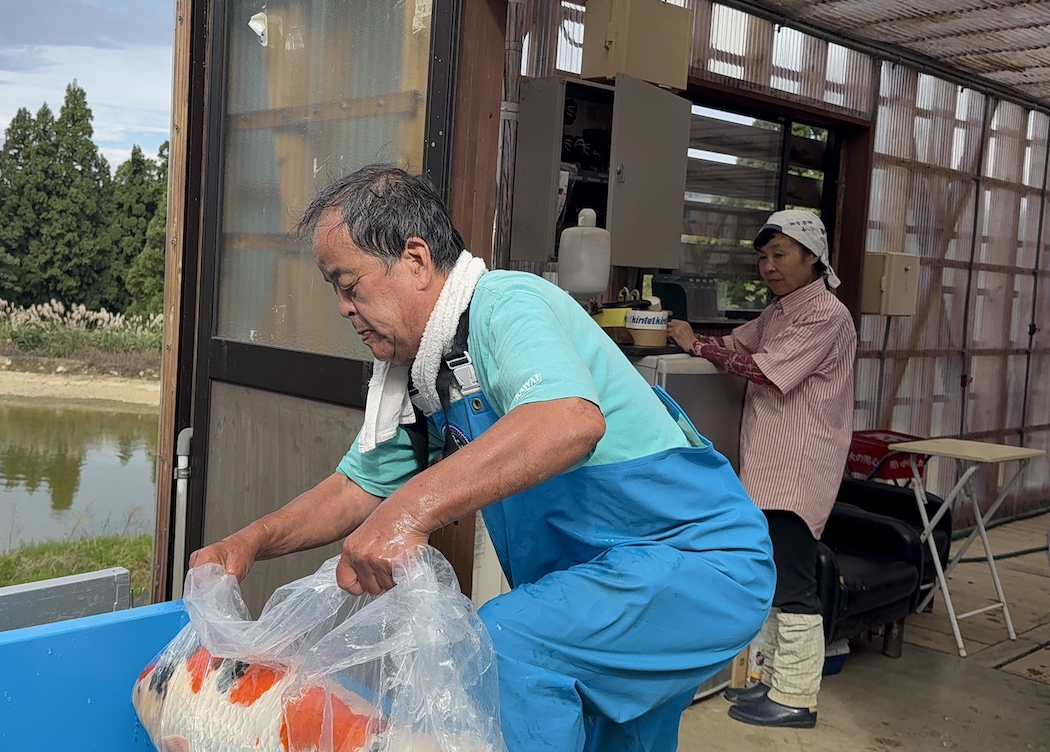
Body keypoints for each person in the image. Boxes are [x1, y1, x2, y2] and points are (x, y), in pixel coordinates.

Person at [191, 164, 775, 751]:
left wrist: (406, 513)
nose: (343, 308)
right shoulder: (425, 380)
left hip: (701, 565)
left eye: (350, 285)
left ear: (416, 259)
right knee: (611, 735)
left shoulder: (505, 304)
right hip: (605, 586)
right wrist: (251, 541)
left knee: (507, 644)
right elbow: (355, 488)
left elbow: (568, 420)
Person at [666, 209, 856, 730]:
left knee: (793, 583)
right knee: (773, 577)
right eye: (764, 257)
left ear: (813, 258)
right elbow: (738, 344)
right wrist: (689, 335)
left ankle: (796, 696)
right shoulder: (781, 311)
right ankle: (772, 683)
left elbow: (765, 370)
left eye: (780, 255)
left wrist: (695, 346)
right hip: (771, 465)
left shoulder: (826, 315)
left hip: (798, 467)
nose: (769, 266)